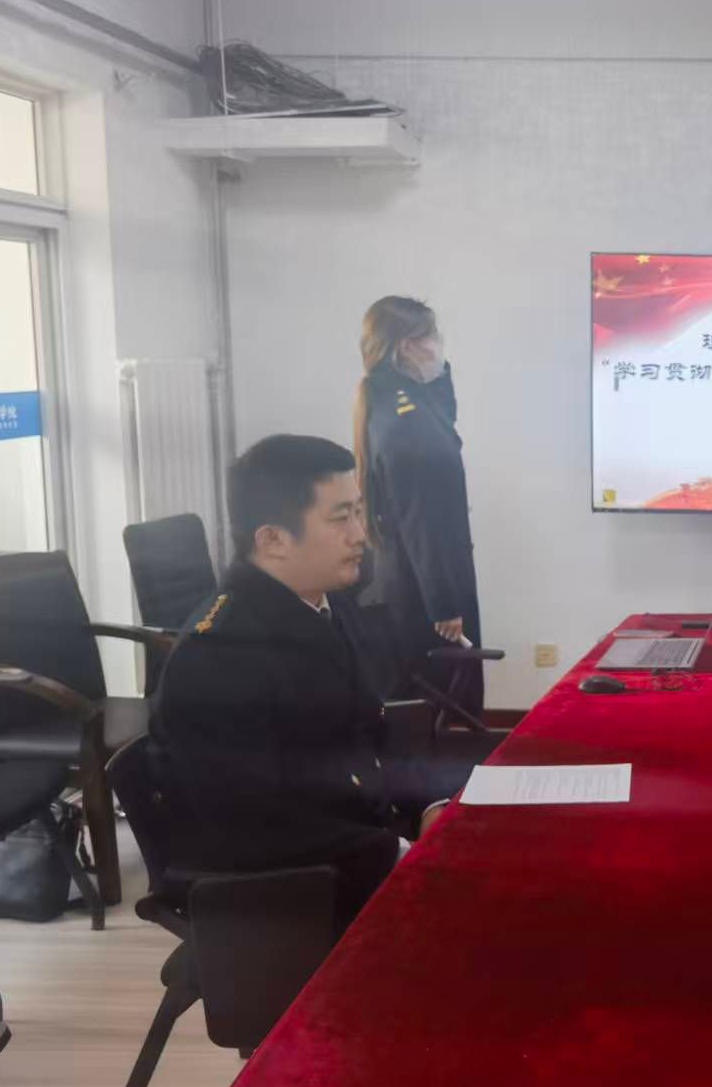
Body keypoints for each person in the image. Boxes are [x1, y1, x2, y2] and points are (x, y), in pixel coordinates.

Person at [152, 434, 471, 929]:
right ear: (273, 540)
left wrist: (429, 806)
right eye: (341, 518)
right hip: (295, 894)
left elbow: (371, 730)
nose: (360, 535)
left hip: (357, 841)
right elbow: (255, 825)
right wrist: (399, 852)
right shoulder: (218, 656)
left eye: (359, 512)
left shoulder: (323, 603)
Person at [354, 295, 484, 713]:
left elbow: (447, 416)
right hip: (426, 589)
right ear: (407, 346)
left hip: (419, 575)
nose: (439, 344)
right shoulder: (408, 425)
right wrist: (444, 606)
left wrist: (441, 371)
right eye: (432, 337)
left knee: (436, 705)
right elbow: (421, 522)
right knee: (436, 705)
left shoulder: (400, 398)